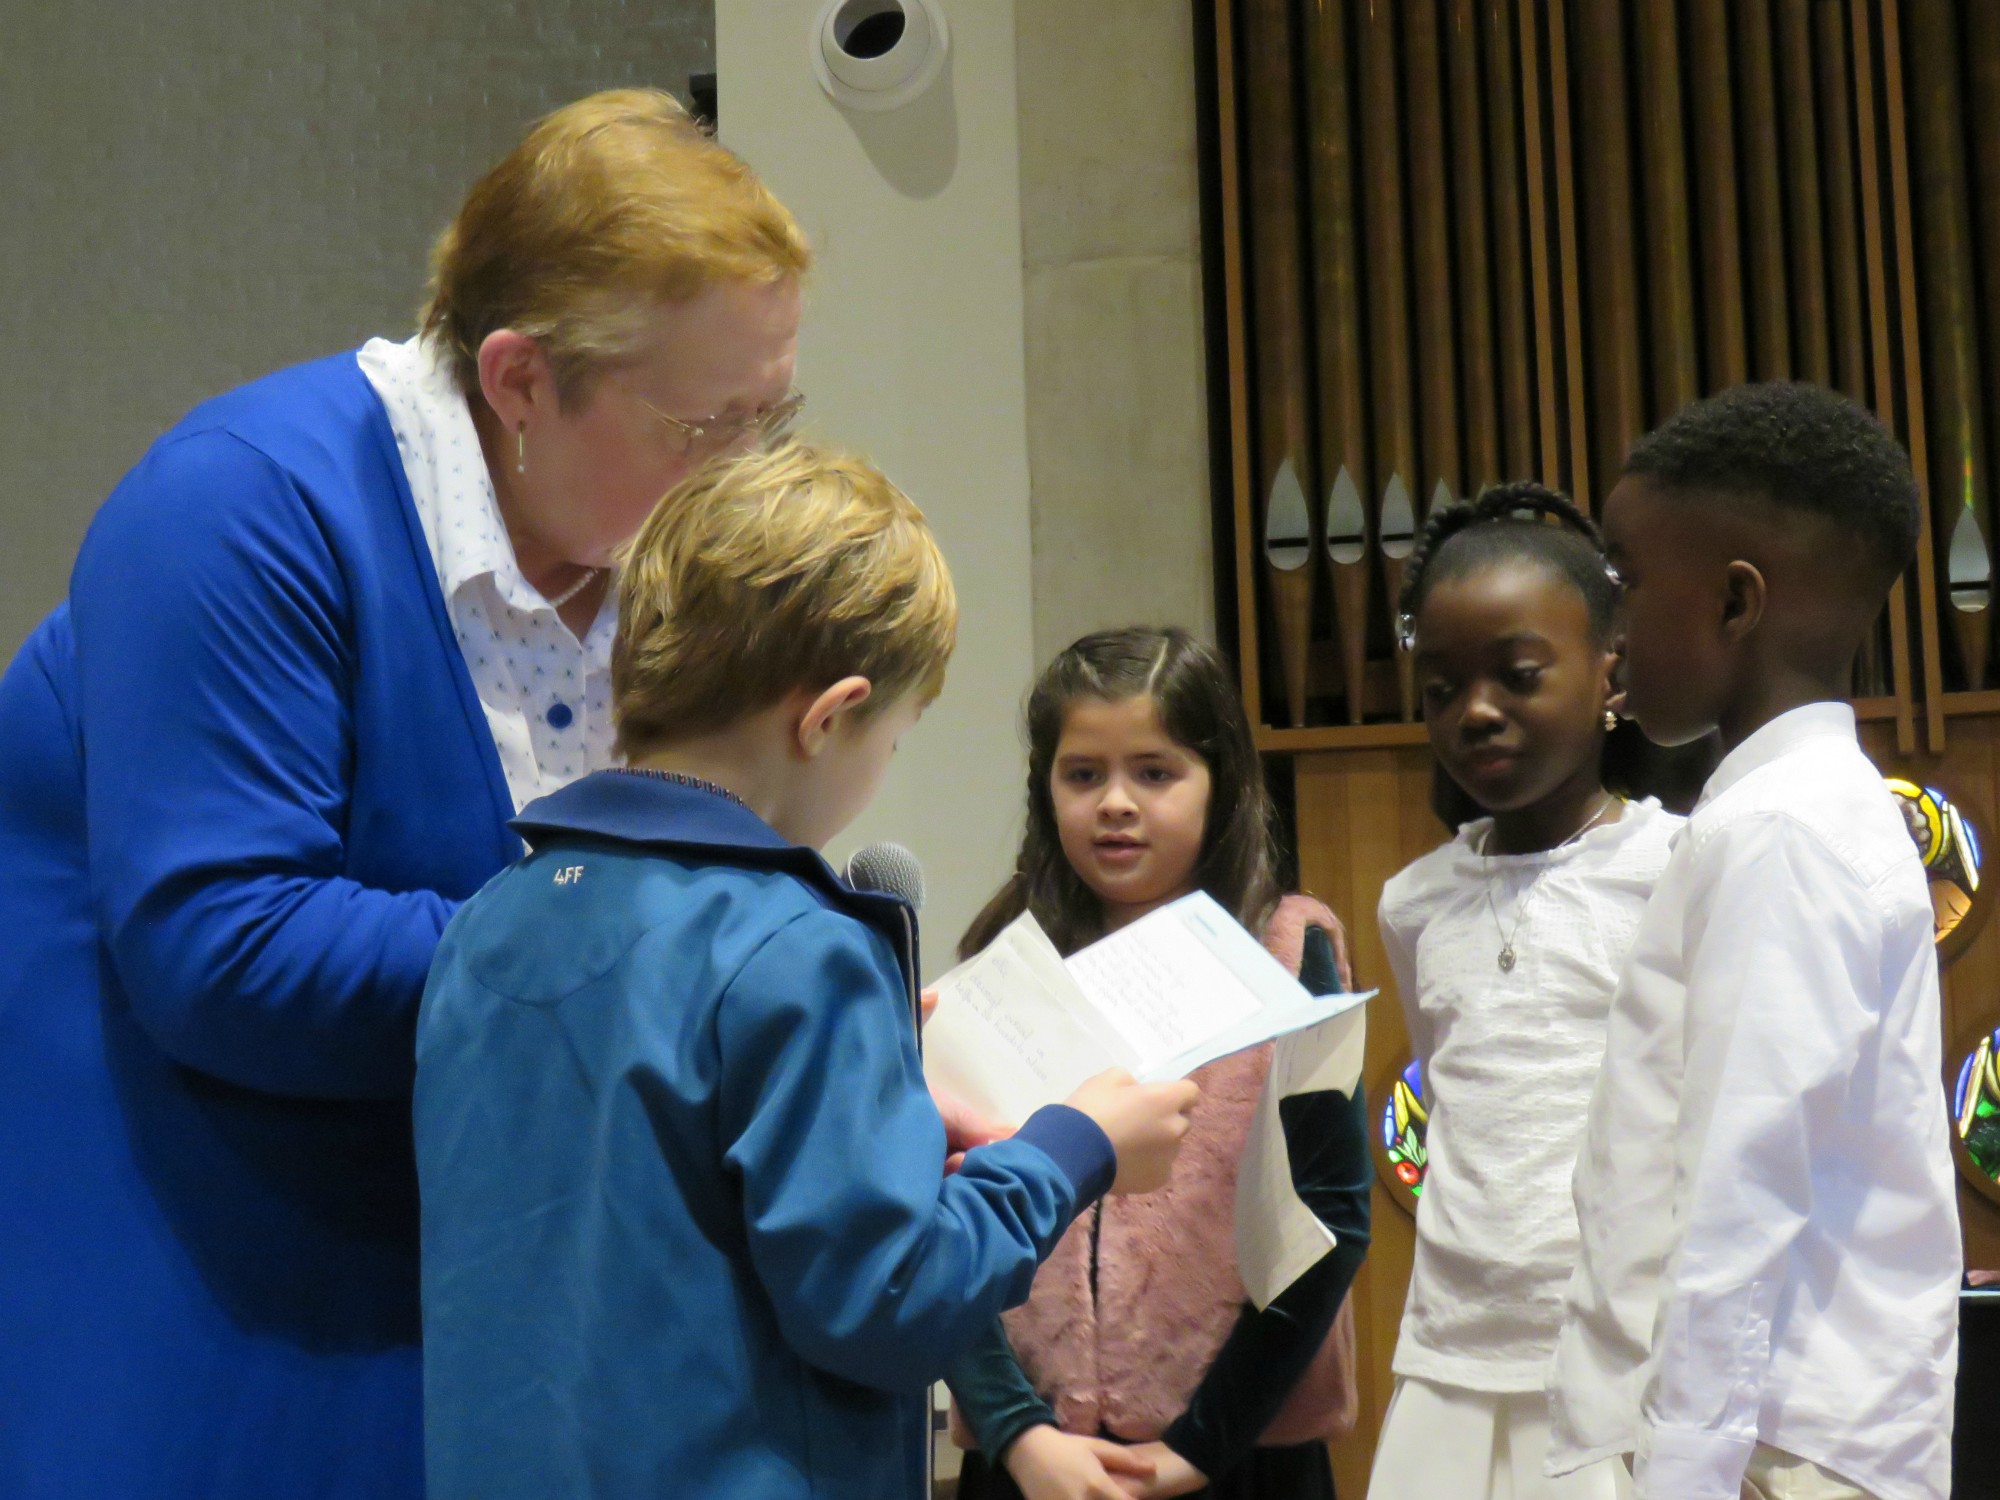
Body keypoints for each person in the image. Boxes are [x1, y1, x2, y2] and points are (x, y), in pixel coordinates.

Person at [0, 89, 812, 1499]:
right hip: (216, 1311)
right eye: (702, 425)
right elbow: (227, 952)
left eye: (773, 412)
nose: (746, 470)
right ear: (517, 381)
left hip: (491, 1307)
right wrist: (669, 970)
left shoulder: (657, 557)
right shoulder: (239, 506)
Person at [415, 443, 1201, 1500]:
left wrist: (879, 1110)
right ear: (828, 717)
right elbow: (884, 1301)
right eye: (895, 739)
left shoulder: (485, 921)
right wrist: (1072, 1150)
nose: (884, 770)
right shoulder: (796, 949)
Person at [1546, 383, 1962, 1500]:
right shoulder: (1788, 809)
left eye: (1624, 580)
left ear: (1735, 602)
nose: (1605, 622)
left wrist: (1681, 1472)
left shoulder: (1780, 829)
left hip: (1771, 1452)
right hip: (1769, 1439)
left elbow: (1741, 1184)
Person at [947, 626, 1372, 1500]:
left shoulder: (1293, 952)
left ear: (1220, 783)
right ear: (1045, 787)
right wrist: (1020, 1434)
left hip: (1237, 1454)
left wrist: (1199, 1449)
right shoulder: (1004, 960)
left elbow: (1331, 1216)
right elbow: (944, 1219)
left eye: (1154, 771)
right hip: (1034, 1462)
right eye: (1083, 774)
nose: (1115, 803)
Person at [1366, 484, 1681, 1500]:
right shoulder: (1412, 904)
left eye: (1516, 675)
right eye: (1441, 688)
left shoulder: (1676, 869)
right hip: (1451, 1361)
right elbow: (1454, 1107)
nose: (1476, 712)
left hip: (1624, 1365)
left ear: (1608, 674)